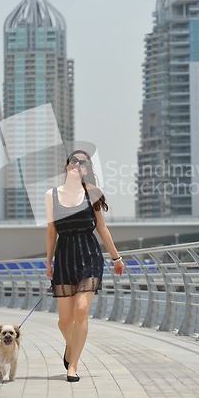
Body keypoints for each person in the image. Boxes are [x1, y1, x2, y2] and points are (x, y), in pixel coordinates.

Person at [45, 150, 124, 382]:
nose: (76, 165)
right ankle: (71, 347)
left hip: (89, 255)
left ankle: (73, 365)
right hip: (65, 257)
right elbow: (51, 231)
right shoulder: (51, 195)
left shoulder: (92, 194)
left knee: (81, 311)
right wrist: (48, 261)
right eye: (73, 160)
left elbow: (102, 228)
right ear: (67, 165)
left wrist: (116, 257)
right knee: (64, 321)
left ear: (86, 169)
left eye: (82, 163)